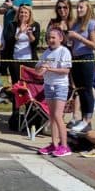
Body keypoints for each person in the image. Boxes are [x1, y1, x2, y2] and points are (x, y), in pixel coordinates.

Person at [2, 5, 40, 131]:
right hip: (15, 61)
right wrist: (19, 32)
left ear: (30, 15)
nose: (23, 15)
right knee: (17, 88)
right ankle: (16, 114)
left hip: (29, 61)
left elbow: (35, 43)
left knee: (30, 89)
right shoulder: (12, 25)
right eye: (21, 12)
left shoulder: (35, 25)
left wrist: (29, 35)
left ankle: (31, 116)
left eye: (26, 13)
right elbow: (8, 41)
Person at [36, 27, 72, 157]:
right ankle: (54, 144)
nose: (50, 40)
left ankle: (65, 145)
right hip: (48, 85)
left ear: (60, 38)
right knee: (51, 116)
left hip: (60, 86)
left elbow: (66, 70)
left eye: (53, 38)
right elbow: (38, 68)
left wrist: (49, 69)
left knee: (58, 115)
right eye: (48, 38)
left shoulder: (64, 51)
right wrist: (41, 68)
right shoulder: (46, 53)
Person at [67, 0, 95, 133]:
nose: (79, 9)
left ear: (88, 9)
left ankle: (88, 120)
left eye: (82, 7)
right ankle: (82, 119)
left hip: (86, 58)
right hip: (76, 59)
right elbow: (73, 42)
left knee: (87, 90)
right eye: (78, 7)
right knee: (79, 90)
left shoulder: (92, 23)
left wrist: (78, 37)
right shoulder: (76, 24)